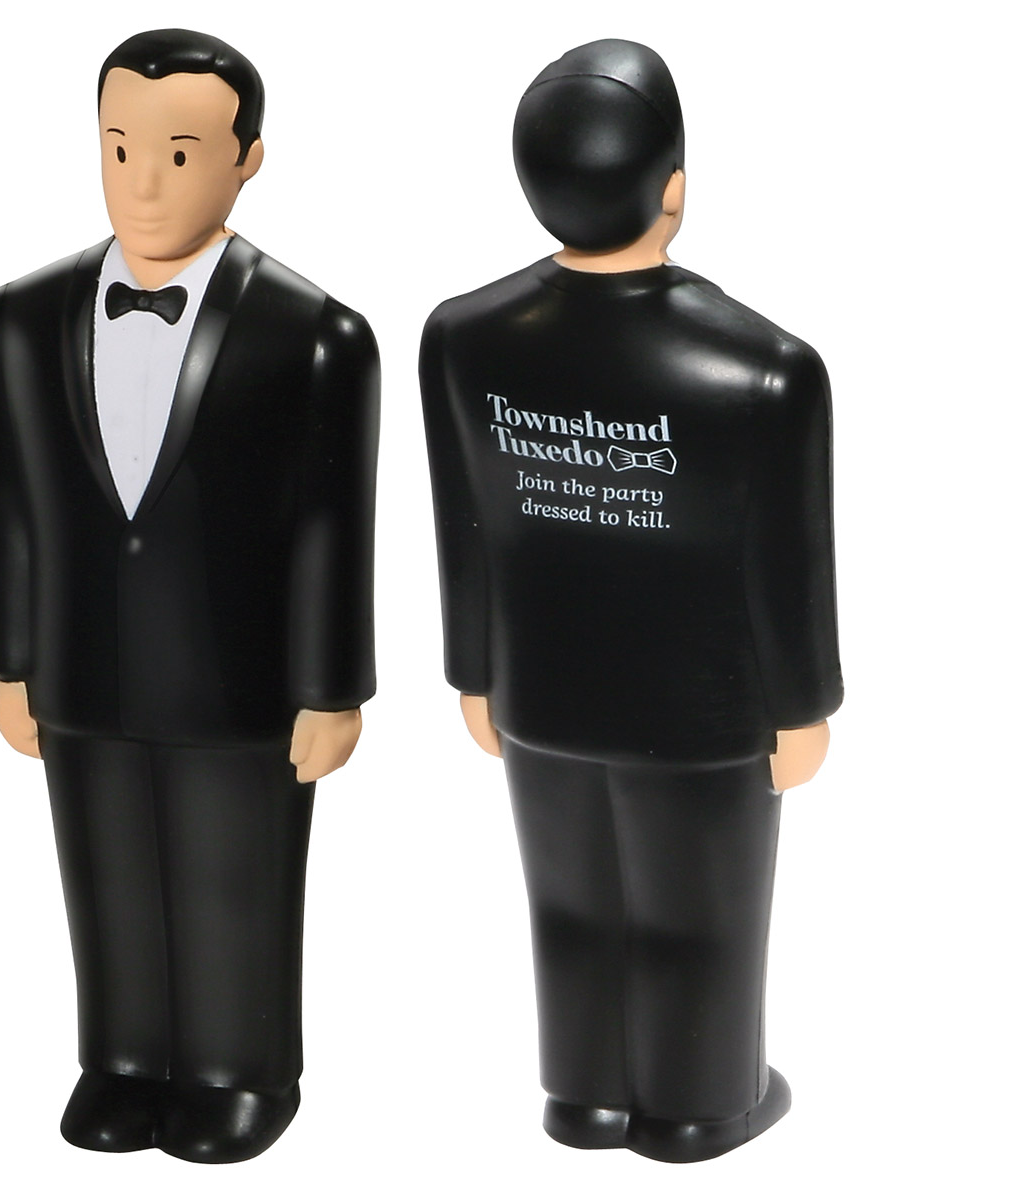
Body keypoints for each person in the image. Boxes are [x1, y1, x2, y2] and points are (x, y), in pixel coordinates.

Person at [419, 39, 841, 1163]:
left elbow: (464, 529)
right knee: (698, 920)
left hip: (538, 696)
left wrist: (473, 673)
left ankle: (586, 1096)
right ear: (674, 189)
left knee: (570, 910)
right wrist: (803, 707)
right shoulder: (764, 370)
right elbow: (787, 566)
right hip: (702, 715)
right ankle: (699, 1106)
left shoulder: (463, 337)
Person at [0, 29, 379, 1163]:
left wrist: (334, 688)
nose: (143, 183)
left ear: (248, 160)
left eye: (182, 153)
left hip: (240, 683)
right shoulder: (18, 319)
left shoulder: (316, 336)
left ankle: (239, 1071)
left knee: (230, 881)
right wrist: (11, 658)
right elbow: (10, 504)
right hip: (83, 669)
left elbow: (334, 526)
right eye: (119, 148)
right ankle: (122, 1058)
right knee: (103, 874)